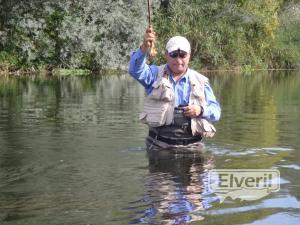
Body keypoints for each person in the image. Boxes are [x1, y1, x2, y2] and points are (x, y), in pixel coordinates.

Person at [128, 26, 221, 152]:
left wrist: (200, 110)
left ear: (189, 56)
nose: (178, 60)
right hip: (159, 147)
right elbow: (135, 70)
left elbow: (216, 111)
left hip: (192, 147)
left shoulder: (202, 81)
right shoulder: (154, 74)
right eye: (173, 54)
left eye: (182, 55)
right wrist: (144, 48)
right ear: (166, 55)